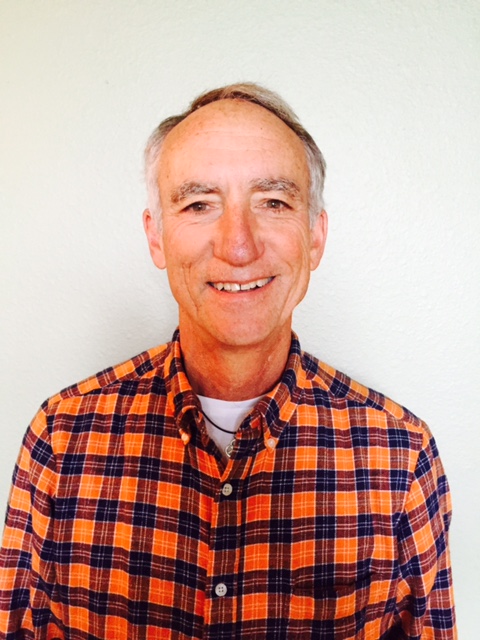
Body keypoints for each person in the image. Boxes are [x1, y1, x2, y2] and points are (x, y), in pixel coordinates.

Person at [0, 83, 456, 639]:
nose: (238, 245)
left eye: (273, 202)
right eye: (199, 204)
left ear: (315, 237)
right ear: (156, 237)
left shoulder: (400, 457)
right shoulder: (62, 437)